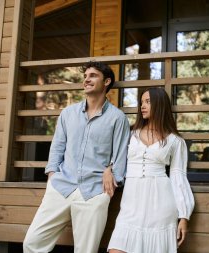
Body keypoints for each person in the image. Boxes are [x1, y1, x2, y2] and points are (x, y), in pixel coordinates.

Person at [23, 61, 130, 253]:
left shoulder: (117, 118)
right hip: (61, 185)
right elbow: (57, 148)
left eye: (93, 76)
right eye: (86, 76)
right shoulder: (68, 114)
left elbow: (121, 154)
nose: (87, 79)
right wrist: (52, 177)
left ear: (106, 82)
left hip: (94, 191)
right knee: (32, 243)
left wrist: (112, 171)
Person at [108, 87, 195, 253]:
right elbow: (115, 159)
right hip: (130, 206)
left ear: (160, 105)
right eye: (141, 102)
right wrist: (109, 168)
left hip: (161, 205)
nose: (142, 106)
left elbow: (178, 177)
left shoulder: (175, 141)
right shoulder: (130, 134)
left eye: (148, 102)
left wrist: (184, 216)